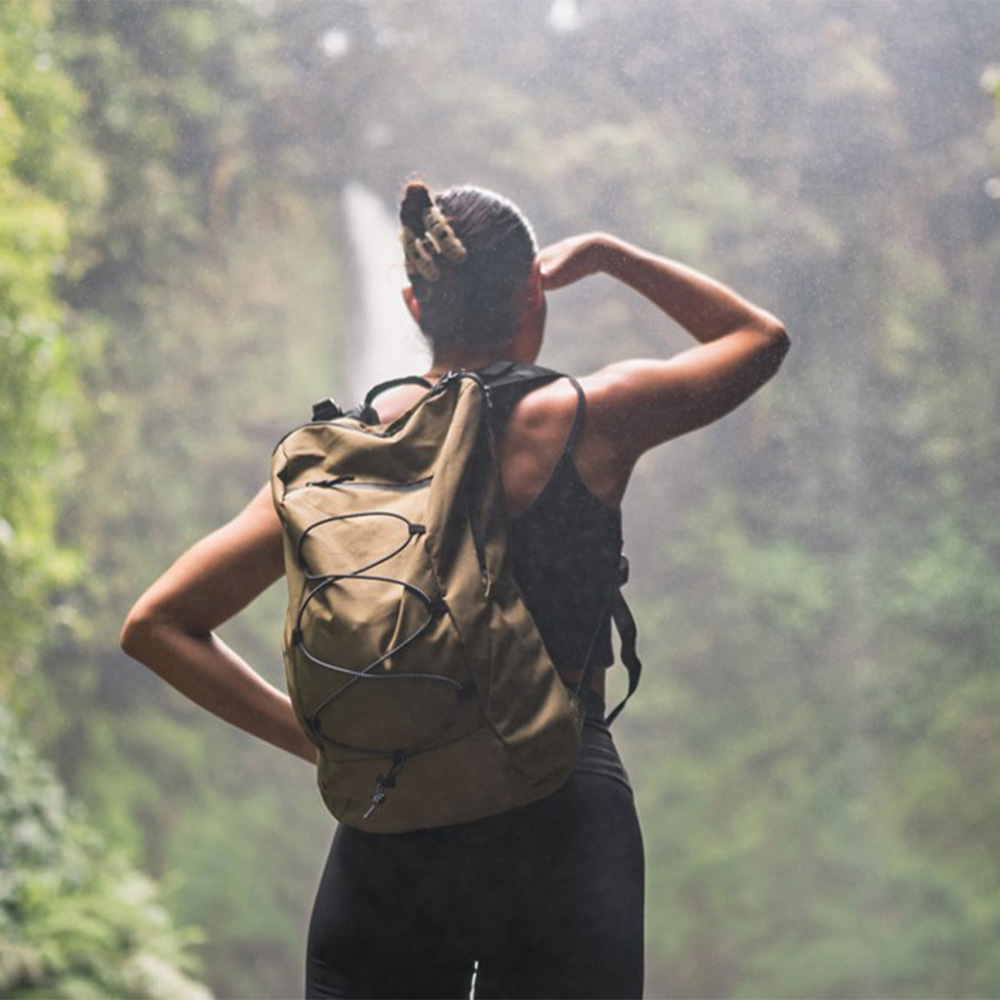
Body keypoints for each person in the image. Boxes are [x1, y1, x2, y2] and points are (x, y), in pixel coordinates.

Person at [120, 180, 789, 999]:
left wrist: (326, 742)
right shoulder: (584, 419)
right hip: (559, 815)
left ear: (414, 301)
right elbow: (758, 338)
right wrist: (610, 255)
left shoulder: (338, 459)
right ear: (532, 292)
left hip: (394, 814)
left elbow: (156, 624)